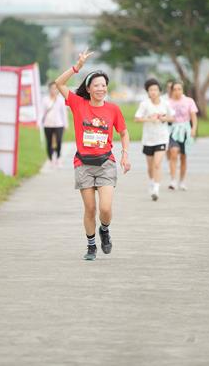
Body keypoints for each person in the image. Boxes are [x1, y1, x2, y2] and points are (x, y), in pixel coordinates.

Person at [55, 49, 131, 261]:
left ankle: (104, 230)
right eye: (96, 85)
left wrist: (125, 155)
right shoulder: (78, 104)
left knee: (105, 209)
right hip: (83, 164)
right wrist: (76, 67)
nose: (101, 88)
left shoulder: (113, 109)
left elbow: (124, 132)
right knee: (90, 208)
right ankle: (91, 246)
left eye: (103, 85)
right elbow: (59, 83)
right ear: (88, 89)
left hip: (106, 162)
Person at [135, 78, 174, 201]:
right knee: (150, 166)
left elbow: (172, 117)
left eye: (155, 89)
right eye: (151, 90)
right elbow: (137, 118)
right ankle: (152, 182)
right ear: (148, 91)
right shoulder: (144, 104)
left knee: (157, 164)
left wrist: (164, 118)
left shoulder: (165, 103)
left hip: (162, 138)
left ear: (159, 91)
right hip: (148, 139)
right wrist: (149, 119)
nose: (153, 92)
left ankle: (156, 189)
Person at [168, 81, 198, 191]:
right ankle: (173, 180)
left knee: (184, 157)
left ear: (182, 89)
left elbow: (193, 116)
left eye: (179, 89)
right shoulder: (168, 102)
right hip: (173, 130)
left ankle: (182, 181)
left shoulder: (189, 101)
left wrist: (193, 129)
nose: (177, 91)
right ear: (171, 91)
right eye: (175, 89)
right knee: (173, 152)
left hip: (186, 130)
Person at [42, 81, 68, 168]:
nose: (54, 90)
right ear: (49, 89)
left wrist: (66, 124)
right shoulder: (45, 99)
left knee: (59, 141)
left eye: (55, 88)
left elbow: (64, 113)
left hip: (59, 124)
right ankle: (50, 159)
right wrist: (39, 122)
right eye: (52, 88)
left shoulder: (60, 100)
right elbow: (42, 112)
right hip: (47, 124)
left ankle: (58, 158)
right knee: (49, 142)